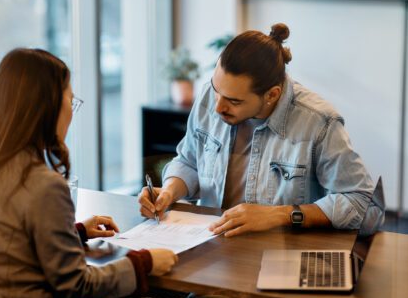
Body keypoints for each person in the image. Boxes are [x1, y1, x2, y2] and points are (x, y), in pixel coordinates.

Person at [0, 48, 177, 298]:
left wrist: (75, 233)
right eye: (71, 101)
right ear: (48, 106)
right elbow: (77, 287)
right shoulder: (42, 185)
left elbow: (9, 247)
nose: (72, 113)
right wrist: (144, 263)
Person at [139, 23, 384, 237]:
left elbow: (363, 204)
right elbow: (189, 162)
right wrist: (169, 192)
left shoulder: (319, 122)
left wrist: (280, 215)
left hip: (280, 256)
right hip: (209, 246)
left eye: (234, 101)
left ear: (271, 95)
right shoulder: (209, 96)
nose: (217, 107)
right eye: (216, 89)